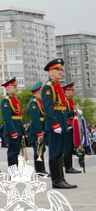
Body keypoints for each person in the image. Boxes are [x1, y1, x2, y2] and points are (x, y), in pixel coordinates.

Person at [41, 59, 76, 189]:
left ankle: (61, 178)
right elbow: (48, 108)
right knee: (54, 153)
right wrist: (55, 125)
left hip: (61, 121)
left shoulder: (57, 86)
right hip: (54, 123)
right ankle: (56, 180)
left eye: (61, 70)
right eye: (57, 70)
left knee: (59, 152)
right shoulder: (48, 87)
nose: (60, 72)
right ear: (50, 72)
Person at [0, 77, 24, 168]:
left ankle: (16, 171)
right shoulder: (6, 101)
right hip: (12, 129)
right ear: (8, 88)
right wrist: (13, 131)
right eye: (14, 87)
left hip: (18, 127)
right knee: (12, 151)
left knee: (16, 152)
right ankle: (13, 173)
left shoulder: (14, 100)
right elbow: (7, 118)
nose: (16, 89)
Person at [27, 82, 47, 176]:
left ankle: (42, 169)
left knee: (41, 149)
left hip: (42, 127)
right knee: (38, 149)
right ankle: (39, 170)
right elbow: (35, 119)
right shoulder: (33, 103)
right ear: (38, 91)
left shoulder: (40, 102)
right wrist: (39, 132)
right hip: (36, 129)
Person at [63, 83, 81, 174]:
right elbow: (64, 115)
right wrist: (73, 112)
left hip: (72, 125)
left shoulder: (70, 101)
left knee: (70, 147)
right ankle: (68, 167)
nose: (73, 92)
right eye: (71, 90)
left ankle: (70, 166)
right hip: (67, 125)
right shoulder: (65, 101)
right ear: (66, 91)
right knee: (67, 147)